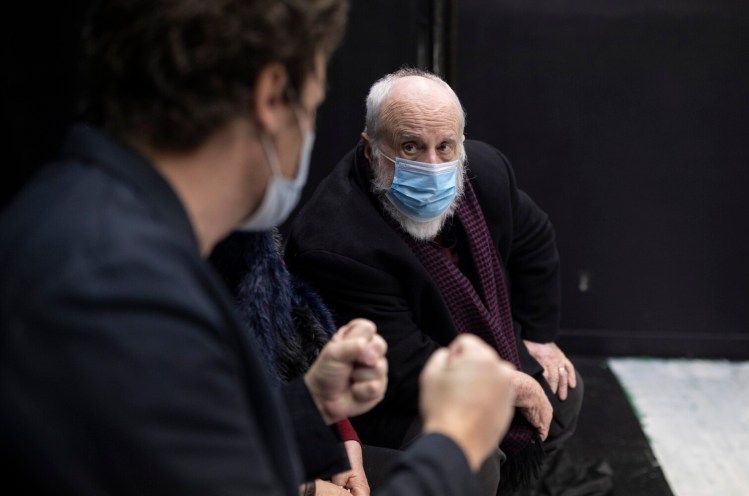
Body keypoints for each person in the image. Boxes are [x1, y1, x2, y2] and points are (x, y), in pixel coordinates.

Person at [0, 2, 517, 496]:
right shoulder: (120, 292)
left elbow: (191, 454)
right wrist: (454, 442)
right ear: (272, 96)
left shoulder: (93, 223)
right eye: (313, 104)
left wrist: (309, 405)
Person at [285, 68, 585, 492]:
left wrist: (538, 336)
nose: (433, 166)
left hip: (464, 337)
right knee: (477, 456)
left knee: (562, 390)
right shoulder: (335, 241)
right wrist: (510, 383)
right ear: (370, 150)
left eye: (445, 147)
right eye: (410, 146)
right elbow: (401, 364)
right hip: (385, 389)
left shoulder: (486, 172)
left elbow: (533, 236)